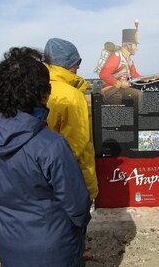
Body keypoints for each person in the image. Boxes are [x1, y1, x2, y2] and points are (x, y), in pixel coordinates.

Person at [0, 47, 91, 266]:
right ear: (40, 93)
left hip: (10, 246)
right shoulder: (51, 145)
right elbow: (77, 205)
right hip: (55, 249)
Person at [44, 38, 98, 201]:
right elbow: (77, 143)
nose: (79, 66)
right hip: (73, 181)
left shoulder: (39, 87)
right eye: (76, 61)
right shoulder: (71, 96)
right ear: (66, 64)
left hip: (45, 180)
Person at [98, 21, 155, 105]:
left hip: (121, 89)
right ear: (129, 45)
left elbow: (134, 74)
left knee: (140, 95)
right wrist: (119, 84)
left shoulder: (129, 60)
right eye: (136, 45)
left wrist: (147, 78)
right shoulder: (116, 56)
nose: (137, 48)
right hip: (110, 90)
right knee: (117, 100)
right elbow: (103, 74)